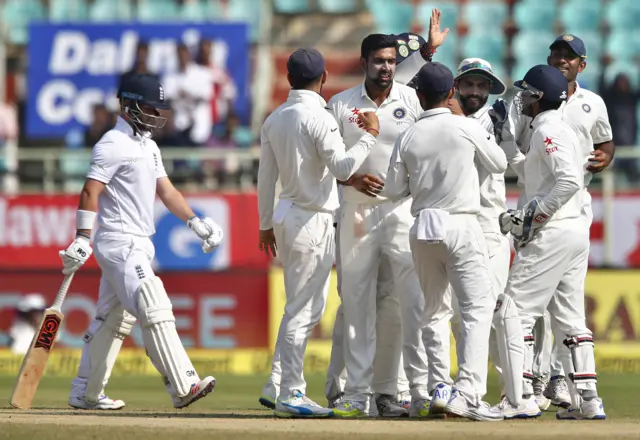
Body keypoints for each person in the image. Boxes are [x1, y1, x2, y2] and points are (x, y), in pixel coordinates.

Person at [64, 74, 222, 410]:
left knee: (111, 319)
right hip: (119, 241)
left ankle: (85, 392)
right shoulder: (111, 143)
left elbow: (166, 191)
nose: (156, 113)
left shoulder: (148, 146)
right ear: (129, 104)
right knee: (154, 304)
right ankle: (184, 385)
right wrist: (81, 237)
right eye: (150, 106)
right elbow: (91, 190)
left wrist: (195, 221)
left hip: (139, 242)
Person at [324, 16, 448, 418]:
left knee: (411, 302)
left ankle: (415, 390)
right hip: (356, 211)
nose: (386, 68)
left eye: (393, 61)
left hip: (400, 210)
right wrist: (351, 178)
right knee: (357, 302)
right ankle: (357, 393)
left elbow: (429, 149)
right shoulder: (340, 104)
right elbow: (325, 162)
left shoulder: (410, 101)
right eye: (379, 60)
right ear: (364, 62)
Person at [257, 48, 380, 418]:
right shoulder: (320, 118)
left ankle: (278, 382)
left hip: (287, 215)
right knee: (303, 309)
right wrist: (370, 135)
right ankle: (291, 392)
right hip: (312, 219)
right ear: (324, 77)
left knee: (305, 306)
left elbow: (266, 178)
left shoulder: (275, 117)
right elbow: (343, 168)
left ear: (290, 77)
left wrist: (264, 223)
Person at [495, 34, 614, 411]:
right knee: (570, 318)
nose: (522, 99)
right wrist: (508, 143)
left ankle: (520, 396)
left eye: (527, 93)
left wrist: (534, 216)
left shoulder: (547, 128)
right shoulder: (549, 127)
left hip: (554, 230)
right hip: (573, 229)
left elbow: (567, 180)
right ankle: (588, 400)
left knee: (515, 312)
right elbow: (535, 172)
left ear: (540, 98)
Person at [384, 62, 506, 421]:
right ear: (451, 92)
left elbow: (393, 189)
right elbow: (498, 164)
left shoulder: (408, 135)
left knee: (434, 310)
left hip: (422, 226)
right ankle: (467, 392)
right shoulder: (466, 126)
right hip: (462, 223)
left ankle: (439, 385)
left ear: (420, 95)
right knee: (477, 308)